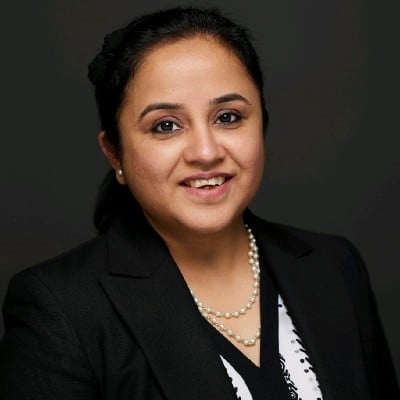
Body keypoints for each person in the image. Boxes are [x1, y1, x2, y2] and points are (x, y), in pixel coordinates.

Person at [0, 7, 398, 400]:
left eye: (228, 117)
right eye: (166, 126)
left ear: (262, 123)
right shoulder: (60, 308)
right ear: (115, 153)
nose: (206, 152)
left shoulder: (333, 266)